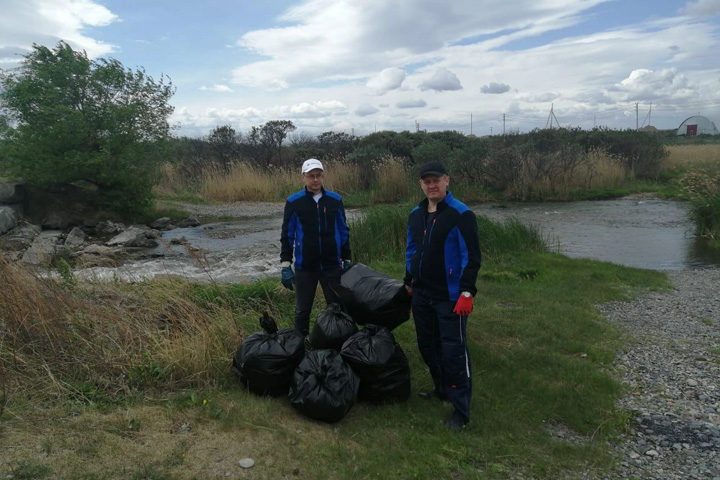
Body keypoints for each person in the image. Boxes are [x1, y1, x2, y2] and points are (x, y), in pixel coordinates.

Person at [404, 161, 481, 431]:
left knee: (454, 351)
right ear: (421, 184)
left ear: (447, 181)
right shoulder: (416, 214)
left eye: (436, 180)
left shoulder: (461, 214)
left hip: (450, 296)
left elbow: (471, 257)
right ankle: (442, 389)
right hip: (422, 292)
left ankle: (461, 409)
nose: (431, 185)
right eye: (426, 181)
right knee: (428, 345)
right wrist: (409, 282)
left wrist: (467, 292)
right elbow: (411, 250)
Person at [280, 158, 352, 336]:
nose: (315, 180)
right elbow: (287, 234)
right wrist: (285, 264)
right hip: (305, 266)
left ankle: (337, 343)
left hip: (331, 265)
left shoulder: (335, 200)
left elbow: (343, 230)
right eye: (311, 176)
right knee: (302, 310)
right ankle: (301, 344)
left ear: (322, 177)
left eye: (318, 176)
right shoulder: (294, 202)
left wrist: (347, 258)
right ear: (303, 177)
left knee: (336, 308)